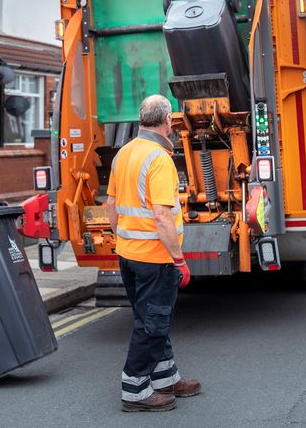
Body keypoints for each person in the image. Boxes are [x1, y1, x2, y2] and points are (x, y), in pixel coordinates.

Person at [106, 94, 201, 412]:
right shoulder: (159, 158)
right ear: (167, 120)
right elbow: (162, 216)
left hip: (129, 255)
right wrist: (179, 259)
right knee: (153, 324)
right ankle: (134, 391)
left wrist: (120, 242)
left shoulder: (124, 153)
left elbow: (111, 205)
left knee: (151, 319)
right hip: (154, 258)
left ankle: (165, 379)